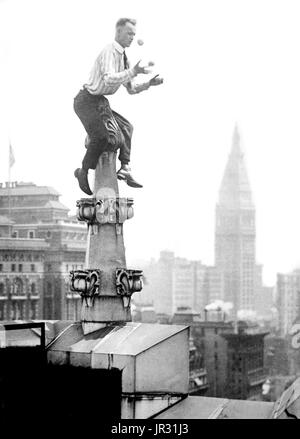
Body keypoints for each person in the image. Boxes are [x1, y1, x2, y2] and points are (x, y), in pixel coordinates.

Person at [74, 18, 164, 195]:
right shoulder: (109, 51)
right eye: (129, 33)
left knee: (127, 127)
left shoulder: (124, 59)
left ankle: (125, 168)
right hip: (85, 101)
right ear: (118, 32)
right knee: (102, 137)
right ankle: (83, 171)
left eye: (134, 34)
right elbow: (108, 78)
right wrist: (133, 72)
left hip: (100, 101)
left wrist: (148, 84)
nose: (132, 37)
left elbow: (131, 88)